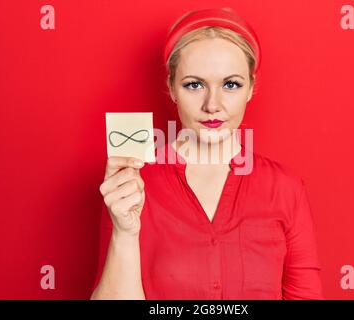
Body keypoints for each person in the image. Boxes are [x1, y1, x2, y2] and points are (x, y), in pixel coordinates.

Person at [90, 7, 324, 300]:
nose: (212, 105)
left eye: (230, 84)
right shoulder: (131, 183)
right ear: (172, 88)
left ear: (250, 87)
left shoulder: (286, 188)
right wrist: (124, 234)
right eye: (194, 85)